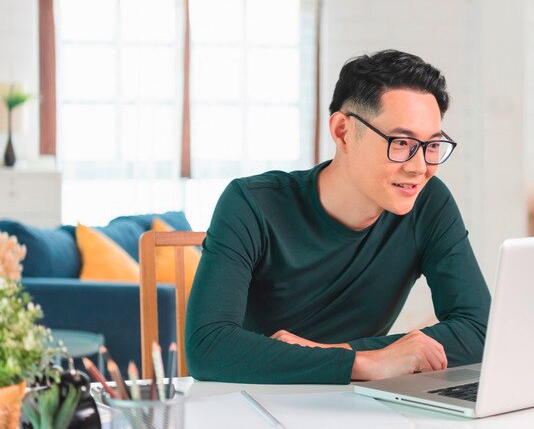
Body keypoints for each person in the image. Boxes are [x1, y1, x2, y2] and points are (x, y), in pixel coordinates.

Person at [185, 50, 491, 384]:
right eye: (401, 142)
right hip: (260, 396)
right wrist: (363, 363)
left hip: (356, 399)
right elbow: (208, 347)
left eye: (432, 145)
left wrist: (346, 355)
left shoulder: (428, 202)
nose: (419, 168)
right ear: (343, 132)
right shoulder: (252, 203)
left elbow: (480, 330)